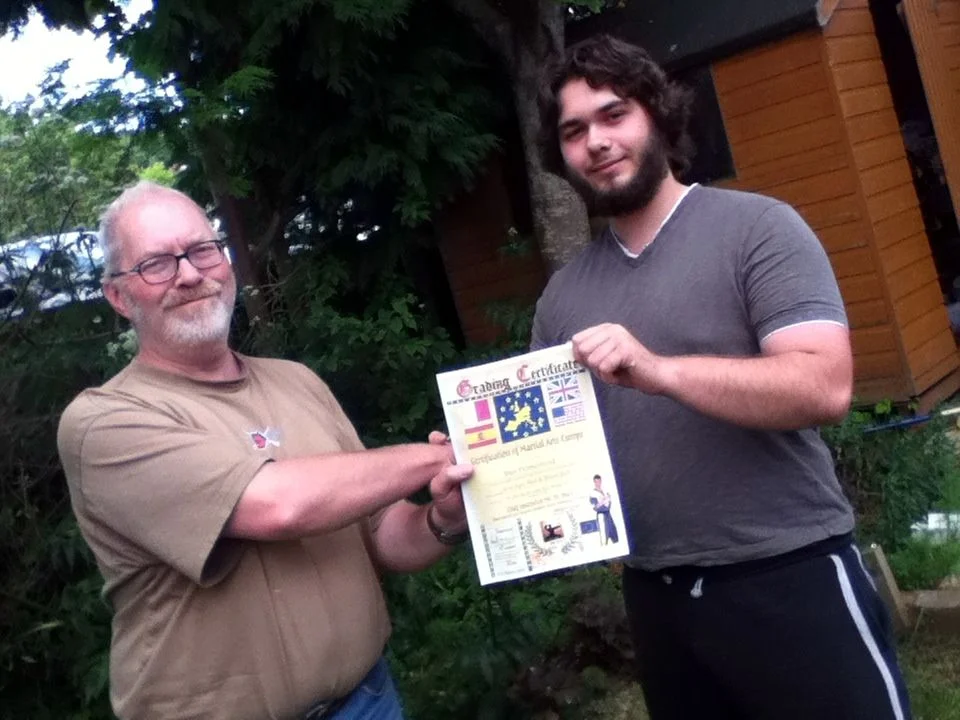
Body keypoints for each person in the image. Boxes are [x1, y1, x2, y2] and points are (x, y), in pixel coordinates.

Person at [532, 34, 912, 720]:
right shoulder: (562, 298)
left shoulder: (757, 228)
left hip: (789, 575)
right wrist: (481, 468)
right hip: (657, 598)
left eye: (614, 114)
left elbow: (824, 387)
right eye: (573, 130)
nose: (596, 141)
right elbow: (555, 452)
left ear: (655, 113)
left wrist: (658, 370)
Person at [56, 181, 474, 720]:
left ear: (225, 261)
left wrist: (445, 517)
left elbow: (384, 538)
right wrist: (436, 456)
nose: (189, 274)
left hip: (370, 701)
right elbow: (279, 506)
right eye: (156, 264)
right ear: (118, 296)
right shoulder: (103, 423)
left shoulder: (296, 380)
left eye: (202, 249)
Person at [589, 474, 618, 545]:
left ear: (601, 481)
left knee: (613, 532)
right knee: (604, 536)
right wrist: (602, 502)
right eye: (596, 482)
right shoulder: (593, 494)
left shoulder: (605, 491)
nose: (598, 483)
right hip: (601, 515)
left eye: (599, 481)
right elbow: (595, 507)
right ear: (594, 482)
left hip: (608, 514)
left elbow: (609, 501)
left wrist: (608, 499)